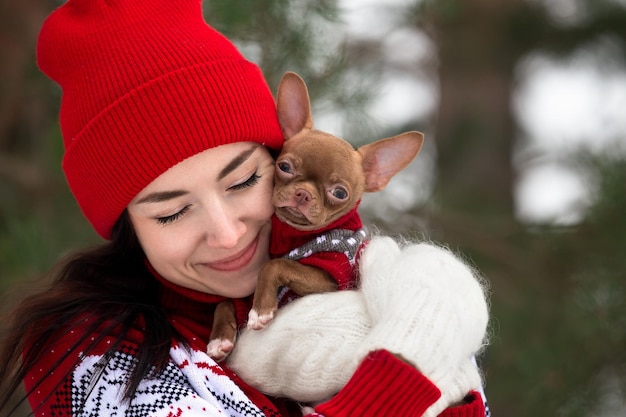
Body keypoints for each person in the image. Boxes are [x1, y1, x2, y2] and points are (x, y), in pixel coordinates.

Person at [0, 0, 490, 416]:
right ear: (127, 226)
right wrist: (406, 374)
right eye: (171, 212)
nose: (228, 234)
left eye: (243, 180)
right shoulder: (90, 356)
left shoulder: (355, 269)